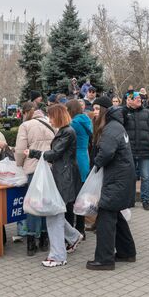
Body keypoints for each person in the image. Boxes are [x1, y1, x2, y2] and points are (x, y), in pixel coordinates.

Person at [25, 104, 83, 267]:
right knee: (55, 212)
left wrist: (33, 153)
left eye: (51, 116)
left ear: (58, 116)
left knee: (54, 214)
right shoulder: (65, 131)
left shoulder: (67, 132)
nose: (49, 119)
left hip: (64, 178)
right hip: (63, 176)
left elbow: (54, 154)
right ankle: (73, 237)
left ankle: (58, 256)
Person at [86, 103, 137, 271]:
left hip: (117, 179)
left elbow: (107, 152)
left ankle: (104, 259)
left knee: (106, 216)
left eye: (97, 109)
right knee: (115, 214)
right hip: (122, 178)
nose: (94, 113)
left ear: (105, 112)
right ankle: (127, 252)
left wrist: (96, 166)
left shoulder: (111, 128)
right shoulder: (116, 126)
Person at [15, 102, 54, 256]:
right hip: (49, 168)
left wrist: (19, 164)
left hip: (33, 168)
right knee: (45, 202)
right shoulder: (52, 124)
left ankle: (31, 241)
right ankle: (44, 238)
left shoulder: (25, 126)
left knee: (32, 203)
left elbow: (20, 150)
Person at [123, 92, 149, 210]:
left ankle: (145, 200)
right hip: (129, 151)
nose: (139, 100)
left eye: (140, 98)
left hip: (145, 150)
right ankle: (130, 200)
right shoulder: (123, 113)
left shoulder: (147, 113)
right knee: (130, 176)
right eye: (136, 98)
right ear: (129, 100)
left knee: (146, 176)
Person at [66, 99, 93, 238]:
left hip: (75, 159)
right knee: (81, 196)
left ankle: (72, 231)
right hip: (84, 158)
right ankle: (81, 228)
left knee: (72, 197)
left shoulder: (74, 123)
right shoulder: (86, 120)